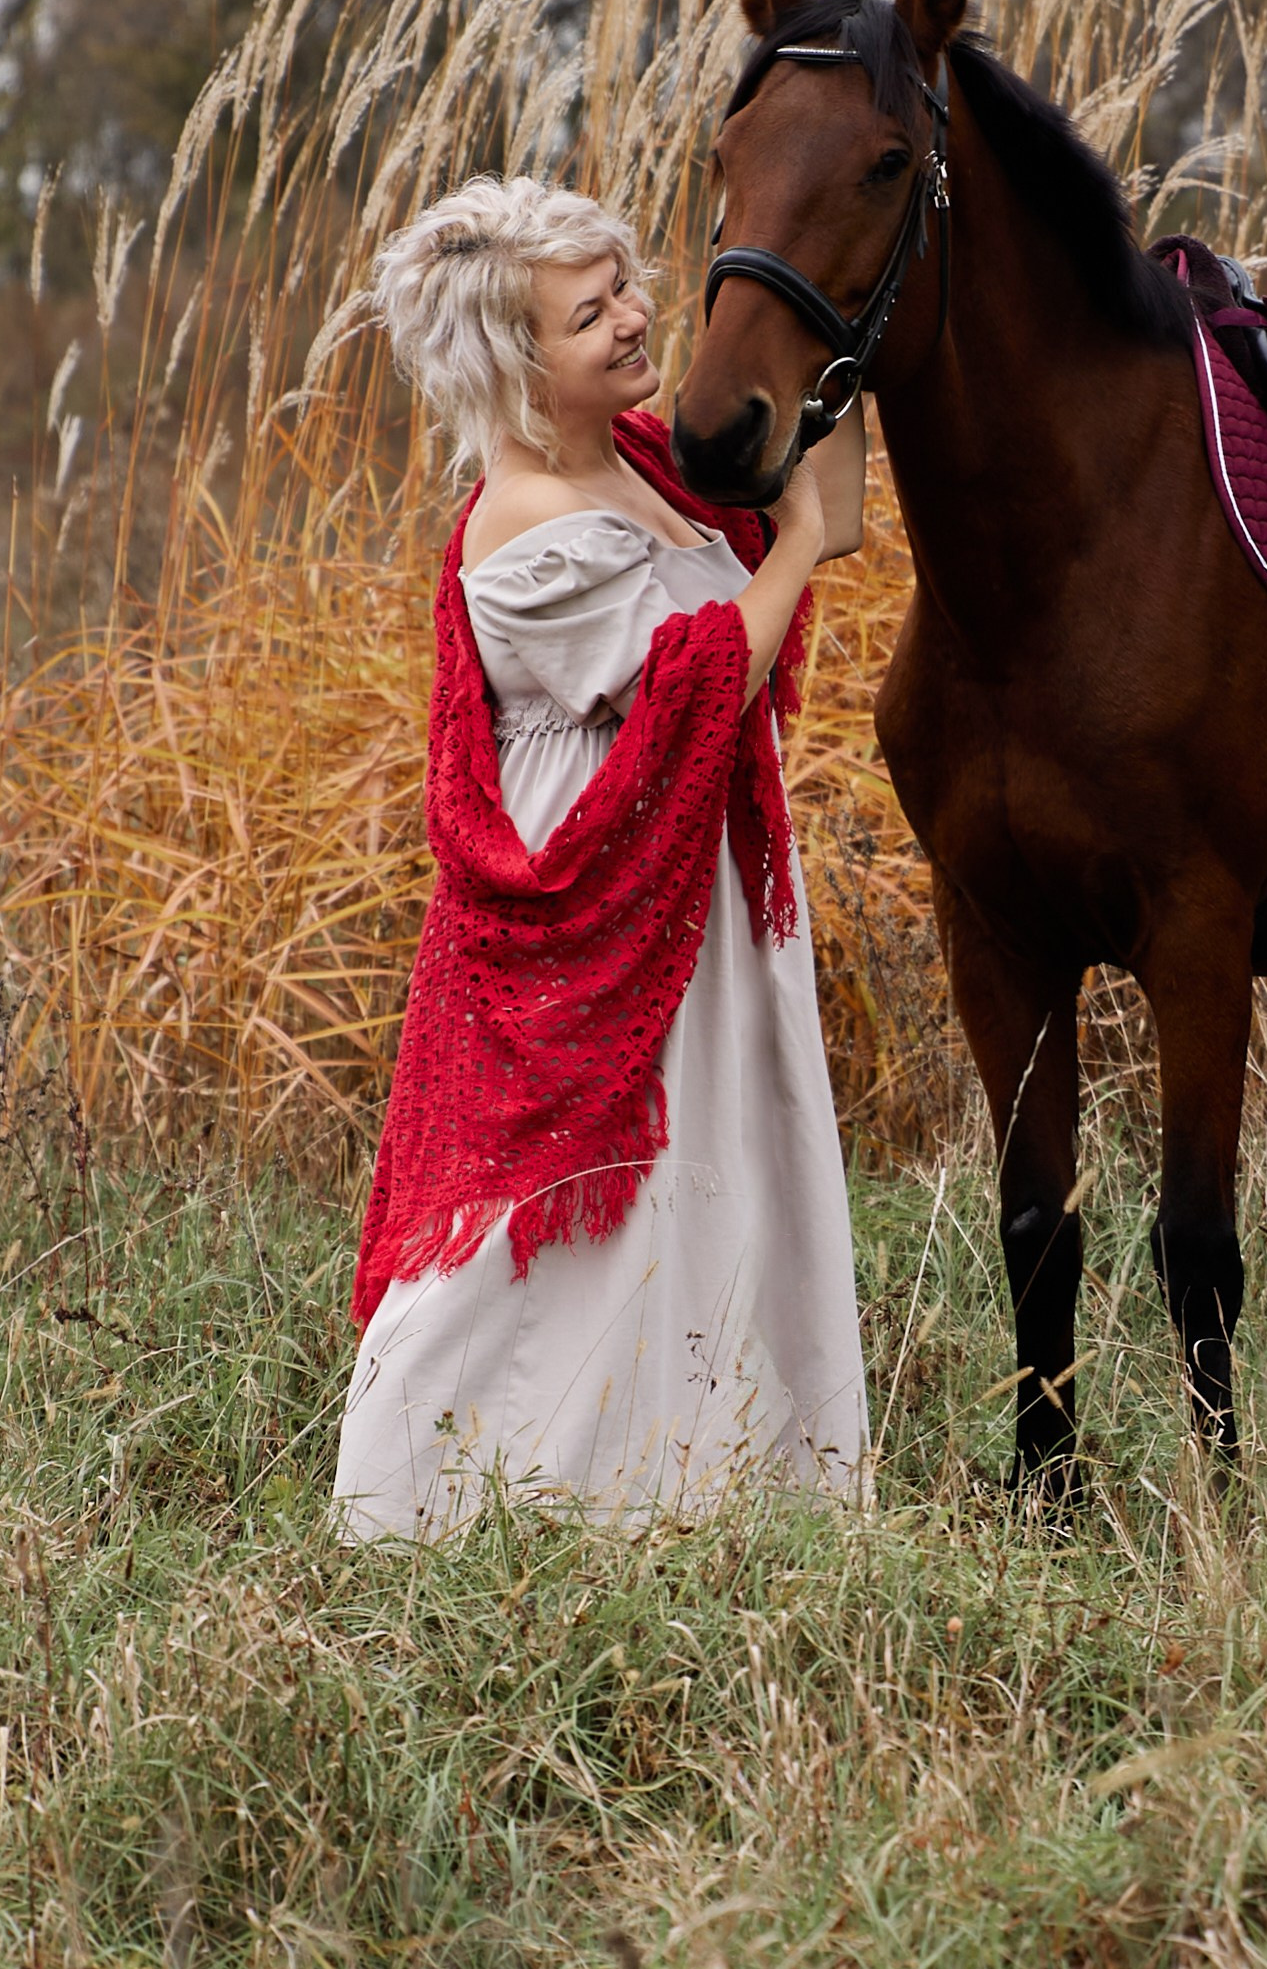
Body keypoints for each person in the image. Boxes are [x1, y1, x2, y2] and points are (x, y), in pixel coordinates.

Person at [331, 175, 869, 1536]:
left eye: (625, 285)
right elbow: (704, 678)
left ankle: (698, 1474)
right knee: (550, 1198)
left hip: (698, 887)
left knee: (711, 1177)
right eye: (592, 312)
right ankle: (438, 1503)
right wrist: (795, 541)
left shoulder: (638, 458)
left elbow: (809, 503)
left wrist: (833, 369)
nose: (636, 317)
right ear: (518, 366)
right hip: (591, 902)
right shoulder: (521, 512)